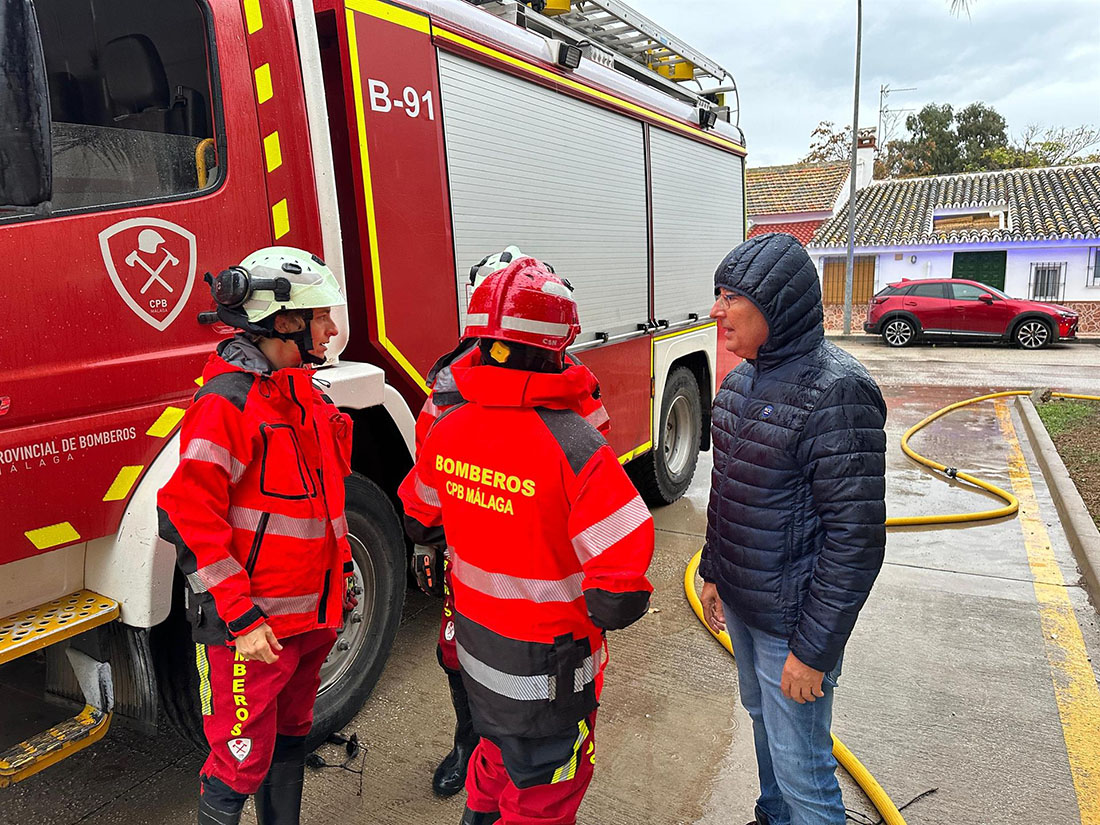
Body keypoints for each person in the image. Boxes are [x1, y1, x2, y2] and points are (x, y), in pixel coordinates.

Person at [399, 255, 654, 825]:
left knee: (491, 756)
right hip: (551, 671)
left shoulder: (447, 427)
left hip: (477, 650)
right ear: (558, 344)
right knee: (546, 792)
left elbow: (421, 512)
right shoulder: (577, 444)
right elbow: (620, 570)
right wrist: (613, 600)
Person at [158, 247, 357, 825]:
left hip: (310, 620)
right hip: (252, 631)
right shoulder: (228, 403)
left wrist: (342, 577)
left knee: (293, 736)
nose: (333, 329)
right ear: (284, 320)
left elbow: (327, 510)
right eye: (321, 316)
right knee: (238, 762)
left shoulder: (306, 396)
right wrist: (241, 619)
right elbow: (185, 515)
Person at [699, 233, 887, 825]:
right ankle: (771, 816)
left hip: (794, 626)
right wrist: (712, 573)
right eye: (718, 294)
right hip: (748, 606)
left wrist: (812, 651)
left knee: (804, 770)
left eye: (733, 297)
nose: (716, 311)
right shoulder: (737, 385)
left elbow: (855, 539)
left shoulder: (838, 392)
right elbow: (727, 494)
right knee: (762, 724)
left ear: (776, 306)